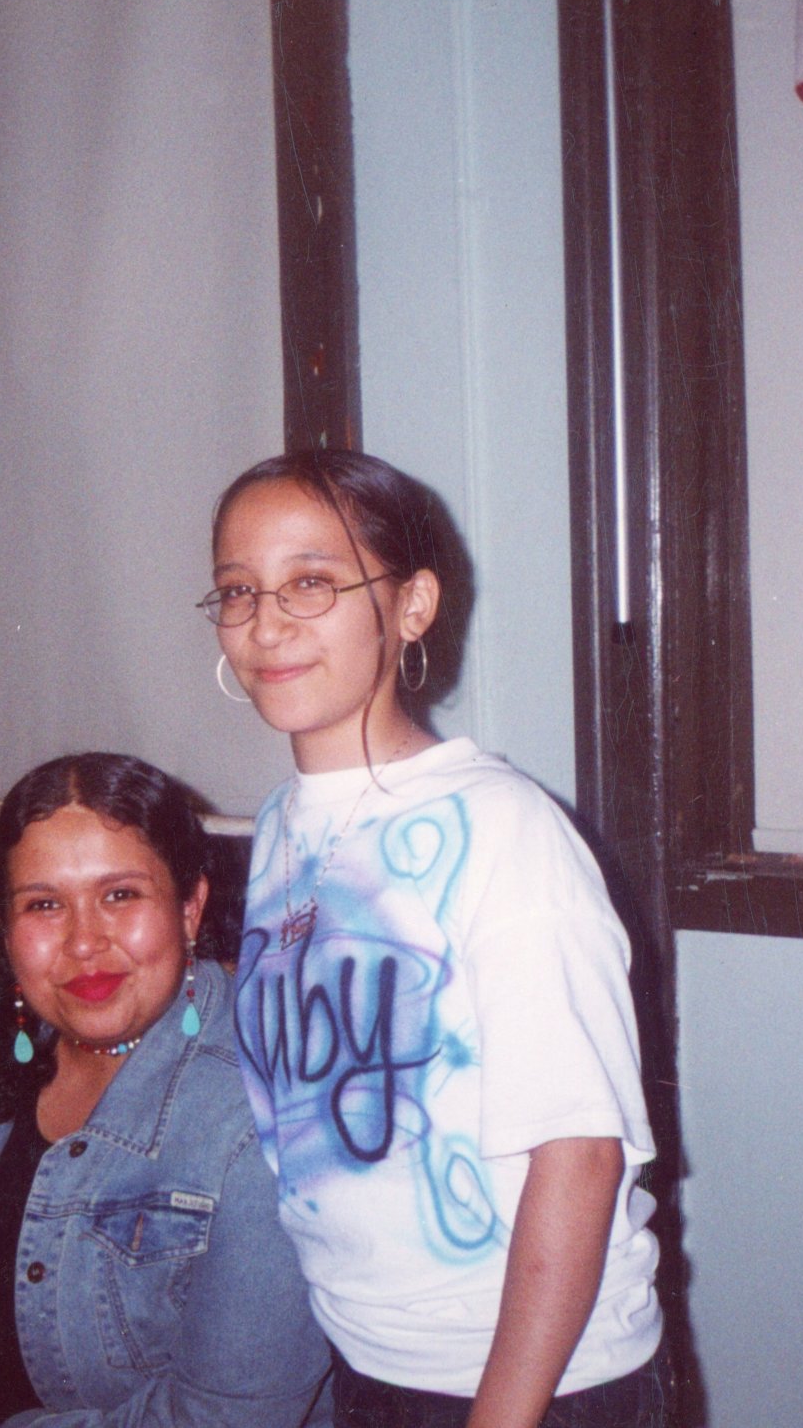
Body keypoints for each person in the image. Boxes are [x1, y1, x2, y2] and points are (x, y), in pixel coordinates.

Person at [205, 450, 664, 1428]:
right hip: (369, 1359)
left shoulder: (504, 827)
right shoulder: (282, 823)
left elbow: (579, 1156)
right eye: (239, 590)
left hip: (536, 1382)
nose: (266, 623)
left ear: (411, 604)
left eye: (311, 582)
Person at [0, 753, 332, 1428]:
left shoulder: (265, 1111)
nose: (84, 942)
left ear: (190, 907)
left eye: (120, 895)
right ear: (5, 926)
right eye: (44, 904)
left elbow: (223, 1416)